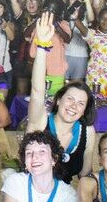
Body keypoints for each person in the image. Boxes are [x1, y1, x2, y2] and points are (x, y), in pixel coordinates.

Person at [28, 11, 98, 181]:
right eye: (70, 99)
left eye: (81, 103)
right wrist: (43, 46)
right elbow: (37, 91)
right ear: (58, 100)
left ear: (84, 111)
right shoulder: (41, 121)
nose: (74, 106)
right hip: (32, 195)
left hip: (65, 200)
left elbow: (85, 176)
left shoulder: (87, 132)